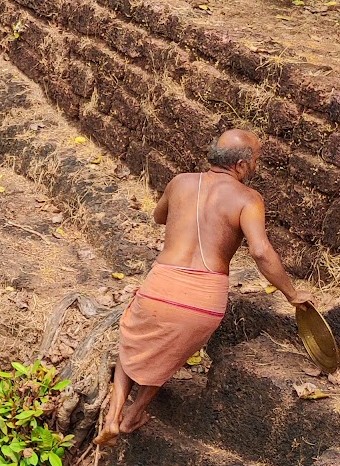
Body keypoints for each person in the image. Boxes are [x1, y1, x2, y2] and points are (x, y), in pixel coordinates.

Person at [98, 129, 311, 446]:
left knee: (131, 341)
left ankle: (114, 417)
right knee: (173, 353)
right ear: (240, 165)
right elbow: (261, 251)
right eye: (255, 162)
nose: (256, 168)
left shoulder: (180, 182)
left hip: (161, 286)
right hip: (202, 299)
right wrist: (292, 295)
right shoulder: (249, 200)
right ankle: (135, 414)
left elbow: (159, 216)